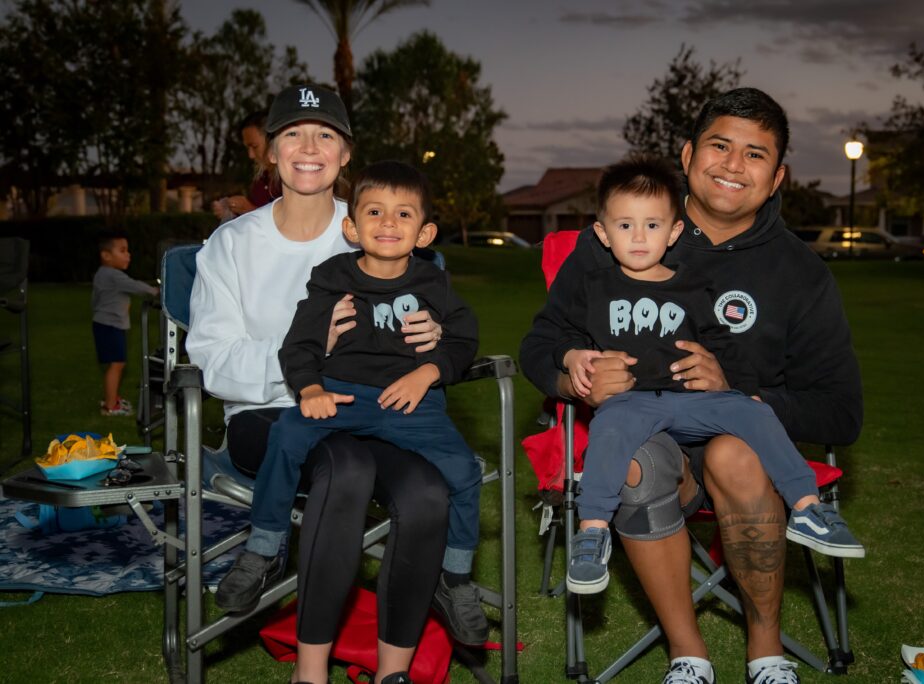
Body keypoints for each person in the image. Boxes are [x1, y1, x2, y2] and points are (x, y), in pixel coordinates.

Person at [520, 88, 863, 684]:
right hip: (649, 440)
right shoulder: (622, 236)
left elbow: (840, 411)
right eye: (720, 146)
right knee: (638, 460)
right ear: (687, 154)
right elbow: (539, 342)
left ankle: (766, 652)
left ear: (777, 176)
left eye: (755, 155)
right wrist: (574, 370)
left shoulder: (800, 273)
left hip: (739, 444)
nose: (734, 165)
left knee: (738, 454)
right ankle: (689, 654)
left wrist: (742, 393)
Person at [187, 84, 449, 684]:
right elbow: (212, 359)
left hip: (373, 410)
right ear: (270, 154)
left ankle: (393, 673)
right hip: (266, 417)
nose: (310, 147)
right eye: (293, 135)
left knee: (428, 493)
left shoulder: (379, 230)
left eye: (325, 134)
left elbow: (431, 322)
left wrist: (429, 334)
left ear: (345, 154)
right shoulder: (229, 247)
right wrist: (306, 347)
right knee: (347, 467)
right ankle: (312, 675)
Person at [557, 154, 863, 595]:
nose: (639, 238)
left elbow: (726, 348)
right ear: (602, 234)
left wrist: (729, 381)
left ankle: (808, 506)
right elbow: (556, 334)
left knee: (753, 411)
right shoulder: (593, 286)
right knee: (609, 427)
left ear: (674, 231)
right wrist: (574, 359)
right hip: (632, 401)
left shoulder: (693, 287)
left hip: (693, 401)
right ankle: (592, 532)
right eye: (625, 227)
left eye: (652, 226)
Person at [245, 159, 488, 646]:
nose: (388, 224)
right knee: (288, 433)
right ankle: (264, 548)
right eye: (375, 212)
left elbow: (464, 342)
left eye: (403, 214)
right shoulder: (332, 277)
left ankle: (454, 578)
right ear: (352, 227)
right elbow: (300, 343)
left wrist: (428, 371)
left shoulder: (433, 284)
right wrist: (310, 389)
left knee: (464, 472)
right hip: (344, 396)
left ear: (425, 232)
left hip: (412, 403)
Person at [91, 230, 158, 416]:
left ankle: (112, 399)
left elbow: (95, 300)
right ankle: (111, 406)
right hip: (111, 326)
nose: (128, 254)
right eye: (122, 250)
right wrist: (156, 291)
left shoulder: (102, 274)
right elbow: (136, 286)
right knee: (117, 365)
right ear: (106, 255)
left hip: (105, 325)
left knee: (115, 364)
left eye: (128, 250)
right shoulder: (113, 275)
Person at [211, 110, 278, 221]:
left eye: (255, 146)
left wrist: (248, 209)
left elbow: (291, 225)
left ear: (273, 141)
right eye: (247, 148)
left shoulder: (291, 181)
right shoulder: (260, 180)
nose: (250, 155)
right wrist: (231, 212)